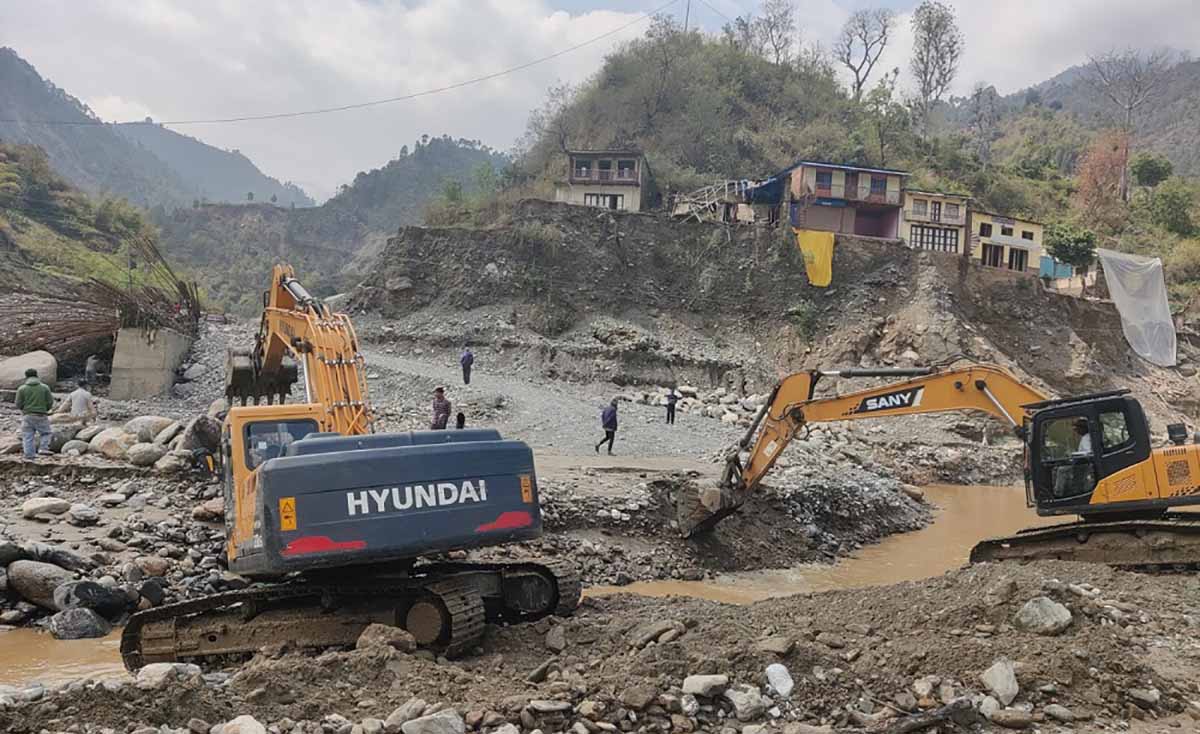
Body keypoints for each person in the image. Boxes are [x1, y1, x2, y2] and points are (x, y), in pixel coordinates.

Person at [15, 368, 54, 460]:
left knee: (28, 435)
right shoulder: (44, 387)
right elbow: (50, 402)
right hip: (41, 415)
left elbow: (18, 403)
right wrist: (45, 409)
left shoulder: (22, 388)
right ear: (37, 375)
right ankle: (43, 448)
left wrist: (24, 410)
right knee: (46, 433)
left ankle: (29, 455)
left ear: (26, 377)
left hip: (27, 415)